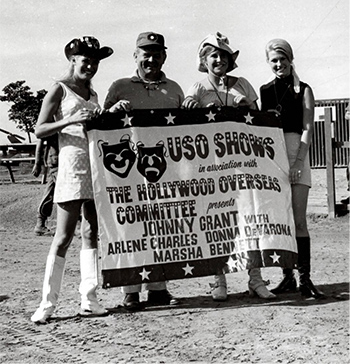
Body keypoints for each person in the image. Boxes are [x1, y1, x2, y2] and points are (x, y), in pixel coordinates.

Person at [182, 32, 276, 301]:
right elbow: (186, 121)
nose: (219, 60)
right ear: (204, 60)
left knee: (251, 219)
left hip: (243, 165)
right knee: (216, 222)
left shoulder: (243, 84)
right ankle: (218, 280)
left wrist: (245, 105)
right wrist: (190, 106)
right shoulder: (198, 88)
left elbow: (258, 121)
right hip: (212, 167)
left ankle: (255, 279)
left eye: (223, 55)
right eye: (213, 55)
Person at [31, 36, 114, 323]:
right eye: (85, 60)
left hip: (94, 168)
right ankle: (47, 304)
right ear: (73, 60)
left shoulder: (92, 93)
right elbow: (40, 129)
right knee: (63, 236)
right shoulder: (60, 89)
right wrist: (67, 120)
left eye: (95, 62)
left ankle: (89, 298)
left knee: (92, 232)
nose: (90, 65)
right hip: (70, 168)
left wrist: (109, 114)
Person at [104, 31, 184, 310]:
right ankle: (131, 291)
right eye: (145, 53)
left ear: (164, 55)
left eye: (156, 53)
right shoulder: (120, 86)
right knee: (131, 230)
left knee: (162, 228)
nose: (151, 58)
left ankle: (159, 289)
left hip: (164, 172)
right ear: (135, 55)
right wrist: (113, 109)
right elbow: (102, 130)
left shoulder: (174, 89)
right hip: (128, 175)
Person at [260, 38, 324, 299]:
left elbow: (308, 128)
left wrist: (298, 161)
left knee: (298, 220)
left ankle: (305, 279)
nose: (278, 64)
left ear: (290, 59)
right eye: (273, 60)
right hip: (274, 156)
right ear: (268, 63)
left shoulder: (304, 89)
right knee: (280, 219)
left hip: (297, 151)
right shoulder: (265, 90)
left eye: (282, 59)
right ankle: (286, 276)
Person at [32, 134, 59, 236]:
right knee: (69, 192)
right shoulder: (51, 119)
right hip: (57, 161)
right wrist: (37, 163)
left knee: (50, 192)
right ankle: (77, 224)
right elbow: (40, 140)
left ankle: (40, 224)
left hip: (64, 160)